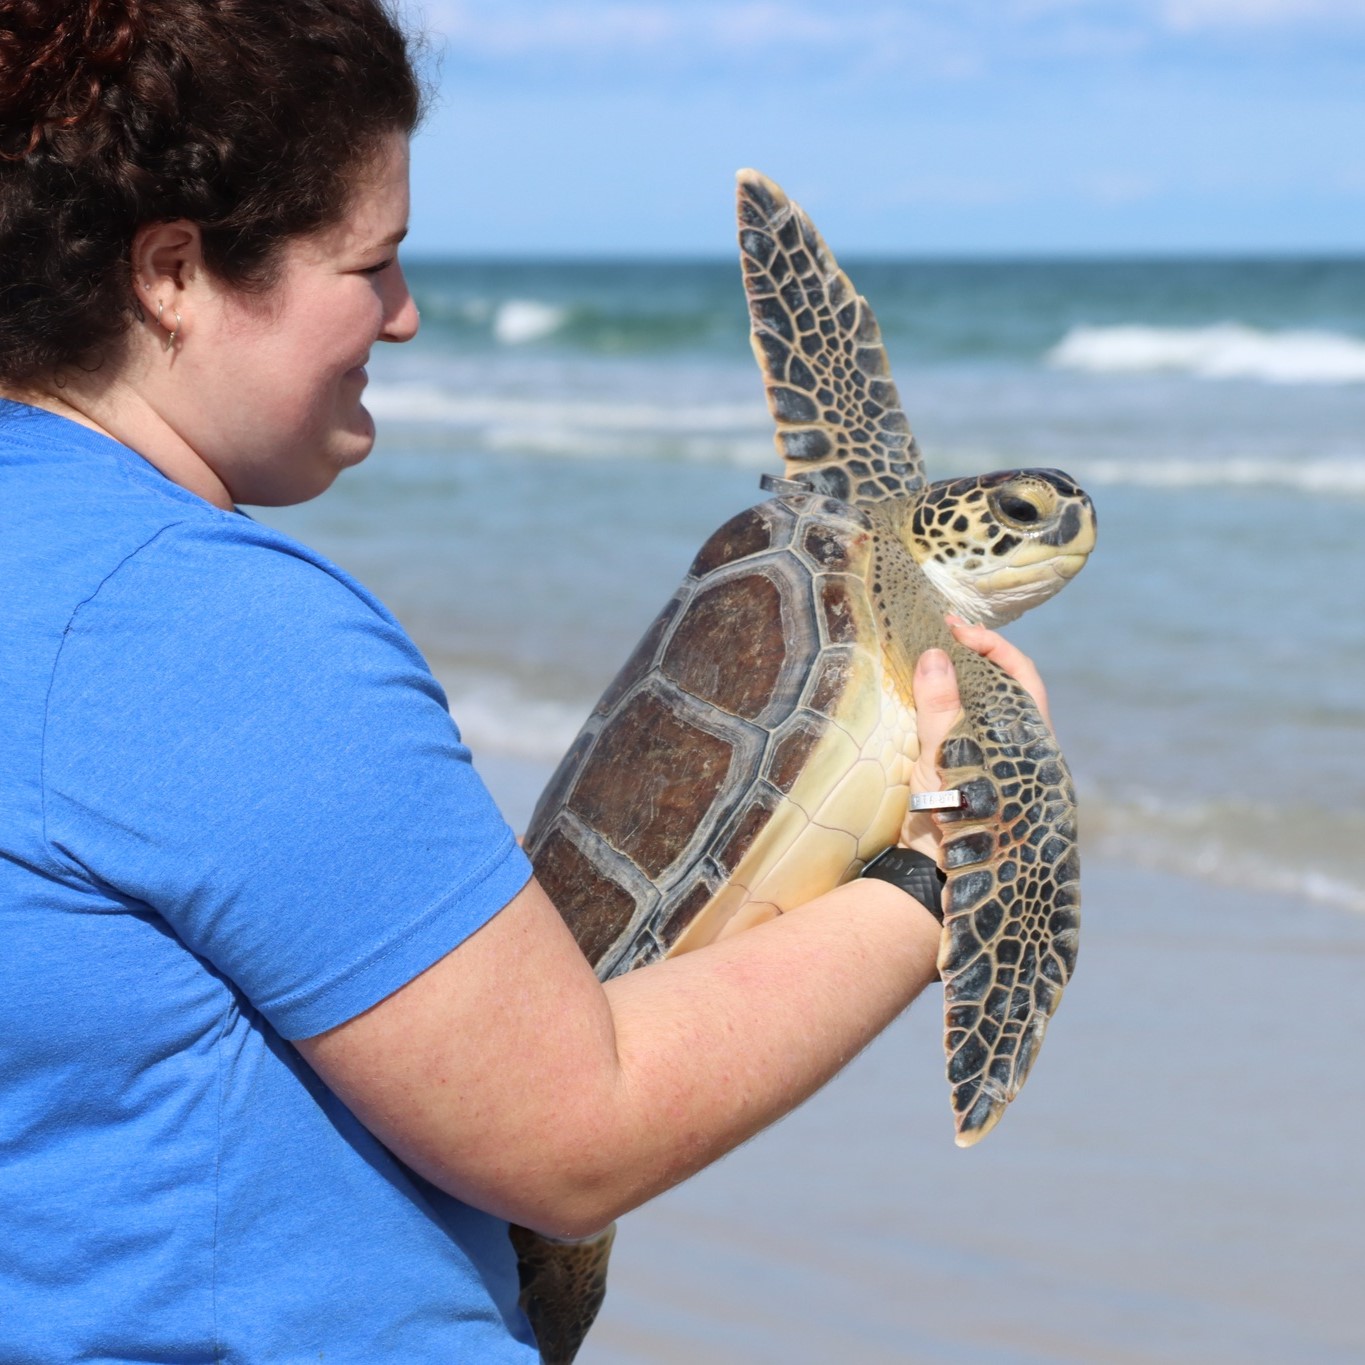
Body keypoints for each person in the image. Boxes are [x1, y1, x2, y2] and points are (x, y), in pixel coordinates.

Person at [0, 1, 1054, 1359]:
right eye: (370, 265)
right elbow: (570, 1134)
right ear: (171, 272)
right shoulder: (202, 625)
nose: (407, 315)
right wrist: (946, 866)